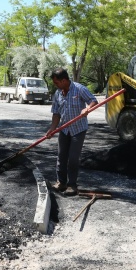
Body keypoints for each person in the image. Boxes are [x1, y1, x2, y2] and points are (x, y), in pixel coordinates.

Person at [45, 68, 98, 196]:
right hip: (64, 129)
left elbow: (93, 100)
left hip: (78, 129)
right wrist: (52, 128)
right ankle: (61, 182)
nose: (55, 85)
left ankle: (72, 185)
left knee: (73, 158)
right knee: (61, 156)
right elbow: (56, 113)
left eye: (57, 82)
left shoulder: (79, 89)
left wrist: (87, 109)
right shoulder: (58, 93)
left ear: (64, 80)